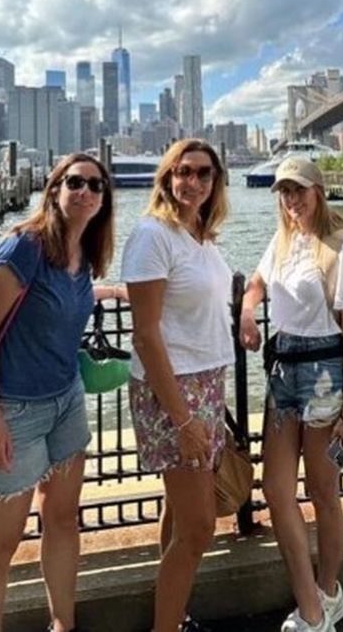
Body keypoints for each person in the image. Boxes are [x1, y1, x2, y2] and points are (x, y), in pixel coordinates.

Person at [0, 152, 115, 632]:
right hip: (13, 410)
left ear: (104, 200)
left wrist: (113, 292)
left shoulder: (83, 254)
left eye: (96, 185)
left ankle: (63, 625)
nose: (85, 191)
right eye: (75, 182)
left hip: (66, 402)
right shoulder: (24, 247)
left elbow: (63, 300)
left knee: (64, 520)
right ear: (54, 189)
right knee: (1, 543)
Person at [240, 157, 343, 632]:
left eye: (298, 190)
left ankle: (326, 595)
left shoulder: (341, 248)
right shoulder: (283, 240)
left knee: (322, 490)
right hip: (282, 371)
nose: (291, 200)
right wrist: (247, 313)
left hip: (325, 374)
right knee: (276, 490)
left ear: (317, 190)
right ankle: (310, 601)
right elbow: (256, 283)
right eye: (284, 192)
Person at [121, 138, 233, 632]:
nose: (193, 181)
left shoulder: (201, 235)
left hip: (206, 381)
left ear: (216, 181)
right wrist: (184, 421)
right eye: (183, 171)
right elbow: (145, 334)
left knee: (181, 513)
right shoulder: (153, 235)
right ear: (166, 177)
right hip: (173, 390)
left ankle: (174, 616)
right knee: (199, 527)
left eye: (204, 173)